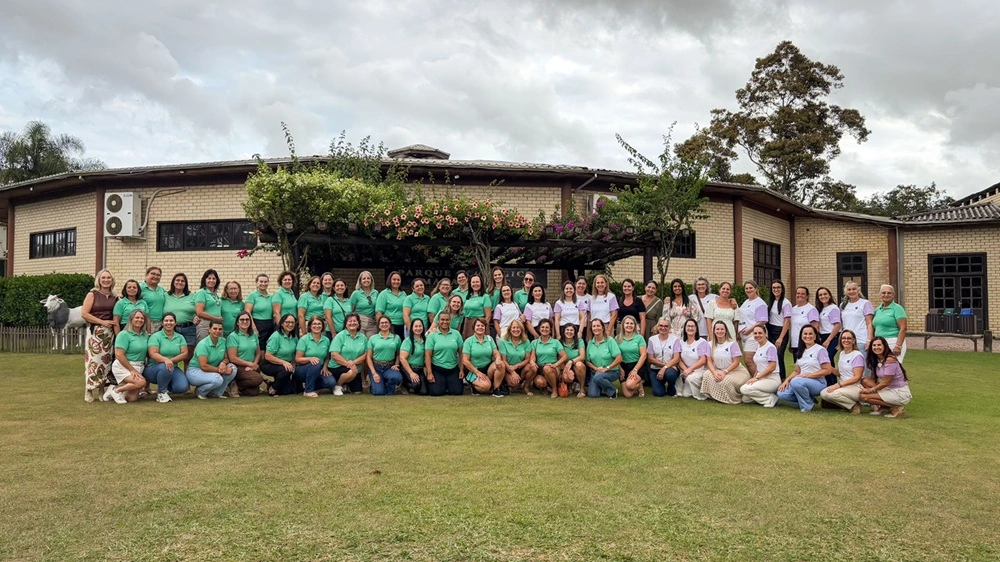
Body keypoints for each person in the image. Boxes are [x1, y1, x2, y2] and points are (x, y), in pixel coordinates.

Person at [776, 325, 833, 412]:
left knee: (796, 381)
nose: (808, 336)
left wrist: (808, 375)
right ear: (801, 336)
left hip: (818, 382)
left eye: (810, 334)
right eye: (805, 334)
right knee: (782, 393)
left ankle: (807, 407)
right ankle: (808, 399)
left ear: (815, 336)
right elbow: (797, 371)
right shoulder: (800, 351)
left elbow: (827, 370)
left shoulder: (820, 350)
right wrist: (786, 381)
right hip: (802, 381)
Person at [81, 269, 118, 402]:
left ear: (112, 280)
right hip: (95, 332)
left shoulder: (115, 297)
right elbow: (84, 313)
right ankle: (89, 389)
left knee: (106, 362)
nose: (106, 280)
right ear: (99, 280)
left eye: (109, 278)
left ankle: (102, 391)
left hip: (109, 334)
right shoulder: (93, 294)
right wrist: (102, 322)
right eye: (104, 278)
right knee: (93, 361)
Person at [104, 309, 150, 404]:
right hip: (123, 365)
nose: (139, 320)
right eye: (137, 317)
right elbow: (119, 355)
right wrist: (132, 370)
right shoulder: (124, 334)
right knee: (141, 383)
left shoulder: (145, 335)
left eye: (142, 318)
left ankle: (115, 388)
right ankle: (116, 391)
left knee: (132, 398)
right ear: (131, 319)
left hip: (139, 365)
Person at [860, 336, 912, 418]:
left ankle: (895, 408)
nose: (876, 347)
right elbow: (873, 379)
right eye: (874, 345)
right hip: (888, 389)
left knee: (864, 397)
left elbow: (887, 382)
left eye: (879, 345)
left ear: (884, 346)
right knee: (865, 381)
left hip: (899, 392)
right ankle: (884, 407)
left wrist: (870, 390)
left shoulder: (890, 360)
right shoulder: (876, 359)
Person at [702, 320, 752, 405]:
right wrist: (714, 373)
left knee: (725, 381)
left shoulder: (732, 344)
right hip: (718, 370)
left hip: (735, 371)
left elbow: (736, 362)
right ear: (714, 331)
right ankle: (714, 395)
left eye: (722, 329)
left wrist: (725, 372)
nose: (719, 331)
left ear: (726, 331)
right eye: (717, 329)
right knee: (707, 374)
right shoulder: (709, 344)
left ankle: (732, 398)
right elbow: (709, 361)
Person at [186, 320, 238, 399]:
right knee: (217, 379)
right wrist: (220, 370)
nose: (217, 331)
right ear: (209, 329)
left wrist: (223, 363)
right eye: (215, 328)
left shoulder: (223, 341)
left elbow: (226, 358)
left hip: (212, 370)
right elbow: (203, 366)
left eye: (220, 329)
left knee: (233, 368)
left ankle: (216, 393)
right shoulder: (203, 344)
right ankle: (200, 391)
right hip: (195, 371)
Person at [145, 312, 190, 403]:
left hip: (173, 367)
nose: (168, 323)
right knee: (165, 367)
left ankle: (166, 385)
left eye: (171, 320)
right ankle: (161, 393)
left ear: (175, 323)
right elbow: (153, 353)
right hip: (154, 368)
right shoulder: (156, 336)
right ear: (162, 323)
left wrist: (170, 361)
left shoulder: (180, 337)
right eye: (166, 321)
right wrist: (165, 360)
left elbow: (184, 353)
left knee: (182, 387)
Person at [818, 330, 865, 413]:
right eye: (843, 338)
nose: (846, 340)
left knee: (833, 394)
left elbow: (857, 377)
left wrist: (838, 385)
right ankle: (848, 405)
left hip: (855, 386)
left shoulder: (857, 355)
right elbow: (840, 373)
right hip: (844, 386)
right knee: (823, 393)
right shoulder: (842, 353)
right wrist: (828, 367)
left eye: (849, 338)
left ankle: (855, 405)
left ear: (853, 341)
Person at [738, 325, 781, 407]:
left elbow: (772, 367)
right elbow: (759, 367)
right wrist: (753, 378)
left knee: (744, 389)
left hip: (772, 378)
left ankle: (771, 399)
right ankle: (768, 395)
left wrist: (757, 378)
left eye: (760, 333)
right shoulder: (759, 346)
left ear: (766, 334)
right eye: (755, 333)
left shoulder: (770, 347)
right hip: (761, 377)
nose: (757, 335)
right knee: (745, 399)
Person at [424, 311, 465, 396]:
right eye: (442, 320)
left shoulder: (456, 334)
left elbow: (461, 353)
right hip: (437, 368)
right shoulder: (432, 335)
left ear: (450, 321)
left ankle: (447, 384)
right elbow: (428, 355)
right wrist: (429, 373)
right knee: (436, 392)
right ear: (438, 321)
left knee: (457, 392)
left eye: (447, 320)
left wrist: (461, 369)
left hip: (452, 368)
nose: (445, 322)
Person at [225, 311, 264, 397]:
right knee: (258, 379)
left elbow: (258, 353)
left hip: (251, 365)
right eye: (242, 320)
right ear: (238, 322)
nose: (245, 322)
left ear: (250, 322)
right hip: (239, 367)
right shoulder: (233, 336)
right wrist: (249, 364)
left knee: (254, 392)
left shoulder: (253, 335)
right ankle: (233, 382)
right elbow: (232, 358)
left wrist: (254, 364)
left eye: (247, 319)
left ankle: (238, 386)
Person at [462, 318, 504, 397]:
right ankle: (474, 386)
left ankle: (496, 389)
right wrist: (477, 372)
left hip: (487, 368)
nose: (480, 327)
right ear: (474, 327)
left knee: (501, 364)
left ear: (485, 327)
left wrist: (498, 358)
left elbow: (495, 352)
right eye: (478, 325)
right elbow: (465, 361)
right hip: (474, 369)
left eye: (482, 326)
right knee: (486, 386)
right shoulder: (468, 341)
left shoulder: (489, 339)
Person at [326, 313, 365, 395]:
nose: (352, 323)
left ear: (358, 323)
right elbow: (334, 354)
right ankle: (337, 386)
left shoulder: (363, 337)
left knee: (357, 392)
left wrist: (353, 363)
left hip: (355, 367)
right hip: (337, 367)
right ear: (346, 324)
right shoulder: (340, 336)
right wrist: (349, 364)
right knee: (351, 372)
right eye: (349, 321)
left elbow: (366, 354)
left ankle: (346, 384)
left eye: (355, 321)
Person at [261, 314, 299, 396]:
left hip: (286, 365)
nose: (290, 324)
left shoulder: (294, 337)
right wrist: (284, 363)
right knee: (286, 370)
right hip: (269, 364)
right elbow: (268, 355)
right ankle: (273, 388)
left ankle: (271, 383)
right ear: (282, 323)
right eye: (287, 322)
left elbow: (295, 353)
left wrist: (294, 363)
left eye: (292, 322)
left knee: (287, 391)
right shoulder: (276, 336)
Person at [365, 316, 403, 395]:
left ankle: (388, 386)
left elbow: (398, 354)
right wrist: (374, 373)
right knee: (379, 392)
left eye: (386, 322)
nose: (384, 324)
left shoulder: (396, 338)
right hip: (376, 367)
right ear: (378, 325)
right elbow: (368, 357)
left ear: (390, 324)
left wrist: (396, 364)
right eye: (382, 323)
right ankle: (376, 386)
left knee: (397, 377)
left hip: (389, 367)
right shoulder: (373, 338)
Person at [163, 273, 196, 364]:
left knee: (188, 355)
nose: (180, 282)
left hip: (189, 328)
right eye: (177, 280)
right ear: (173, 282)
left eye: (182, 281)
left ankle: (186, 376)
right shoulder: (165, 295)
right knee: (172, 353)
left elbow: (199, 309)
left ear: (186, 283)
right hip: (171, 328)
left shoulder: (192, 296)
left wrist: (197, 317)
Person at [738, 280, 769, 377]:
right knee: (752, 361)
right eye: (746, 288)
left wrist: (749, 330)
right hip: (744, 335)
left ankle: (759, 380)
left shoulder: (760, 303)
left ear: (756, 289)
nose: (748, 290)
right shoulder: (746, 301)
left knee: (749, 360)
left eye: (750, 288)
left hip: (754, 335)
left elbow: (762, 321)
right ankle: (755, 379)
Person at [585, 318, 622, 398]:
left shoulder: (610, 340)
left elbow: (619, 358)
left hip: (611, 371)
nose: (596, 328)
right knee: (593, 394)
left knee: (598, 377)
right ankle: (603, 387)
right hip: (596, 372)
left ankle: (612, 391)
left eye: (598, 326)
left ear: (602, 327)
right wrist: (596, 369)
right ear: (591, 329)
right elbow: (587, 361)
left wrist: (606, 368)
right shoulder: (590, 342)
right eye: (594, 326)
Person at [499, 320, 538, 395]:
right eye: (513, 328)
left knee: (532, 367)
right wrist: (512, 371)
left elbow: (527, 359)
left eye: (518, 328)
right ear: (510, 330)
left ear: (521, 330)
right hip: (508, 368)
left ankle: (525, 387)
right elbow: (503, 360)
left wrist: (516, 366)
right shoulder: (503, 341)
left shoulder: (526, 341)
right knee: (514, 383)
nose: (516, 330)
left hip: (521, 367)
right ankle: (509, 384)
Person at [297, 316, 332, 398]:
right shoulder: (304, 339)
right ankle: (308, 391)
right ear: (309, 326)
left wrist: (325, 367)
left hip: (319, 369)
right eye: (314, 324)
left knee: (331, 383)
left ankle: (311, 385)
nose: (317, 326)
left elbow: (327, 357)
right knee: (316, 363)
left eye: (319, 324)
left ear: (323, 326)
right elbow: (298, 359)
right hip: (302, 370)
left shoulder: (326, 340)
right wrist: (309, 359)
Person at [528, 319, 565, 398]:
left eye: (547, 327)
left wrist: (556, 364)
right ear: (539, 329)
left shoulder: (556, 342)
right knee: (539, 382)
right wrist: (532, 362)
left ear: (550, 330)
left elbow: (564, 356)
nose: (544, 329)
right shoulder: (534, 342)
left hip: (552, 368)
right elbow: (533, 357)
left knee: (547, 369)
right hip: (540, 368)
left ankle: (555, 390)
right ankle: (546, 387)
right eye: (542, 327)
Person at [646, 317, 681, 398]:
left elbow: (676, 358)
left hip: (670, 369)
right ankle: (660, 384)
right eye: (661, 325)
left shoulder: (675, 340)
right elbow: (650, 358)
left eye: (666, 326)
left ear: (669, 328)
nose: (663, 328)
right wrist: (665, 366)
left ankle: (671, 386)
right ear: (657, 327)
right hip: (655, 369)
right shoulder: (651, 340)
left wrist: (665, 368)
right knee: (658, 393)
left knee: (670, 375)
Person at [873, 284, 908, 362]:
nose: (886, 295)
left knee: (892, 367)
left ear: (893, 295)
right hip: (879, 342)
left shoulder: (898, 308)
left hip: (893, 341)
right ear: (880, 294)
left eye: (889, 293)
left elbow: (903, 328)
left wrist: (898, 346)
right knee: (880, 368)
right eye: (883, 293)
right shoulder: (877, 310)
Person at [677, 318, 709, 399]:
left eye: (692, 326)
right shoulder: (681, 342)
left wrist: (690, 370)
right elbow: (679, 359)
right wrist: (685, 370)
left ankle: (702, 395)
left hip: (700, 370)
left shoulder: (701, 342)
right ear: (684, 328)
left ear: (696, 329)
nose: (690, 328)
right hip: (686, 371)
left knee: (691, 378)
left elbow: (703, 360)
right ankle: (690, 385)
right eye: (688, 326)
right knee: (685, 394)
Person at [617, 315, 648, 398]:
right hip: (623, 366)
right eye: (627, 323)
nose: (629, 325)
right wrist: (620, 369)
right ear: (623, 325)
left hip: (636, 365)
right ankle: (637, 386)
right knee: (628, 395)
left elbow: (644, 355)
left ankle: (639, 386)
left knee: (630, 385)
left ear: (635, 326)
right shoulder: (617, 338)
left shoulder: (639, 338)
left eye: (631, 323)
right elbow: (615, 356)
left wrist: (635, 369)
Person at [766, 280, 792, 381]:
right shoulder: (771, 302)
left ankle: (783, 379)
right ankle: (772, 378)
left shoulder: (786, 303)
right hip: (771, 330)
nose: (776, 290)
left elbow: (787, 321)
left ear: (782, 289)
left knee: (779, 356)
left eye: (778, 288)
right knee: (771, 356)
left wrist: (781, 337)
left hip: (781, 331)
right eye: (774, 288)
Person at [841, 280, 875, 351]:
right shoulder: (843, 305)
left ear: (858, 290)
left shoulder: (865, 303)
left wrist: (869, 340)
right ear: (846, 292)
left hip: (861, 341)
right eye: (849, 290)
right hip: (847, 341)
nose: (851, 291)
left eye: (854, 289)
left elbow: (869, 323)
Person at [789, 286, 820, 360]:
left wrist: (810, 342)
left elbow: (815, 327)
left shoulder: (811, 309)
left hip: (806, 343)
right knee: (798, 366)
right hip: (795, 343)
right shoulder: (793, 309)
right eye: (798, 293)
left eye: (803, 294)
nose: (800, 295)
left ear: (807, 296)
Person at [815, 286, 842, 374]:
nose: (823, 296)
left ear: (829, 295)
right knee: (825, 360)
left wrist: (828, 340)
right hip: (823, 336)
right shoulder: (821, 309)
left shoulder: (833, 308)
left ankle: (832, 382)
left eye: (825, 294)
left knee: (828, 359)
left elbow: (837, 325)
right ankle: (828, 382)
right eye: (820, 295)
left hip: (833, 336)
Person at [194, 269, 223, 344]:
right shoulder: (201, 293)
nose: (211, 280)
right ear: (205, 280)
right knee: (204, 346)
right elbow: (199, 312)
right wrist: (216, 319)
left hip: (217, 325)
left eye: (214, 278)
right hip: (205, 325)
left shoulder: (215, 294)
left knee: (217, 346)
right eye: (209, 278)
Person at [375, 271, 407, 338]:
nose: (396, 281)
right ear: (390, 280)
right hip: (390, 326)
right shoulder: (384, 294)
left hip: (402, 325)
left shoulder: (404, 294)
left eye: (398, 280)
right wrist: (380, 328)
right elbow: (378, 313)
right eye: (394, 279)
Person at [245, 273, 273, 350]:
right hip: (258, 324)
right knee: (260, 347)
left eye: (265, 282)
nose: (263, 284)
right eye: (261, 281)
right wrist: (253, 327)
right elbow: (247, 311)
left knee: (268, 346)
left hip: (270, 324)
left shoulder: (271, 297)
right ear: (256, 283)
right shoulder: (252, 295)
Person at [400, 318, 427, 395]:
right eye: (416, 326)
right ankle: (404, 384)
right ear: (412, 328)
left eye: (420, 326)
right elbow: (402, 358)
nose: (418, 328)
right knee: (416, 385)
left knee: (424, 392)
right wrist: (411, 373)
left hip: (420, 369)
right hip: (409, 368)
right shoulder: (407, 341)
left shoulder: (425, 340)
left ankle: (414, 385)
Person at [559, 324, 587, 398]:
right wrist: (565, 370)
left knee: (579, 365)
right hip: (564, 366)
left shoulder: (579, 341)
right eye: (567, 330)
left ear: (575, 333)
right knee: (567, 377)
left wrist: (571, 362)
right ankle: (569, 385)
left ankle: (582, 389)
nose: (569, 332)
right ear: (564, 332)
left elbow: (582, 356)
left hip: (576, 365)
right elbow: (559, 358)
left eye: (571, 330)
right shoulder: (559, 342)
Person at [461, 273, 491, 340]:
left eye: (477, 282)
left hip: (480, 324)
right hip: (468, 324)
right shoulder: (467, 297)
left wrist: (482, 327)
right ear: (470, 284)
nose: (475, 284)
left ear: (481, 283)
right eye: (473, 282)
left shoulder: (485, 297)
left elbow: (488, 315)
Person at [350, 270, 379, 337]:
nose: (366, 280)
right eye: (364, 278)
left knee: (370, 344)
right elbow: (350, 310)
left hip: (372, 323)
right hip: (360, 322)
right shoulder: (356, 293)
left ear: (371, 280)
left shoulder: (376, 293)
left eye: (368, 278)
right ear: (360, 281)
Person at [139, 266, 167, 332]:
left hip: (160, 323)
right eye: (153, 274)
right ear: (146, 275)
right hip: (144, 323)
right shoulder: (139, 288)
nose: (155, 276)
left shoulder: (162, 290)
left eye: (158, 275)